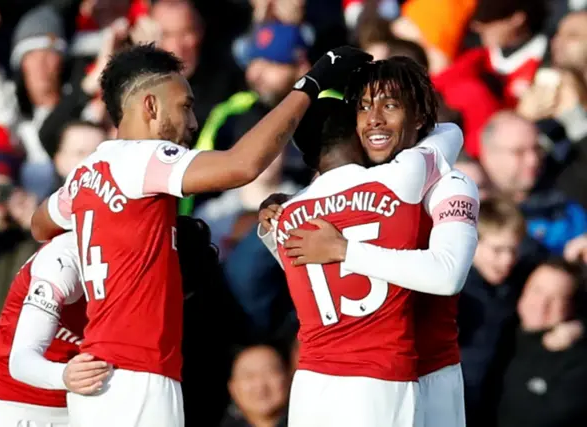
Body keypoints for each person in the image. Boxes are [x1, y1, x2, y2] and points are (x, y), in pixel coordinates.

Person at [29, 43, 372, 427]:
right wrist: (311, 84)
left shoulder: (85, 172)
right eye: (186, 106)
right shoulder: (143, 157)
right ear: (150, 107)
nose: (193, 123)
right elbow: (242, 165)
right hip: (139, 375)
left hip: (100, 379)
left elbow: (40, 224)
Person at [259, 58, 479, 427]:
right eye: (362, 108)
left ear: (421, 118)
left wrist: (343, 248)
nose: (374, 118)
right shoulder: (385, 185)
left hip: (432, 376)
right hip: (378, 381)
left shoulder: (451, 185)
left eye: (389, 106)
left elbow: (447, 273)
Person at [0, 232, 105, 427]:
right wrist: (63, 376)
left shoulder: (147, 258)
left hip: (82, 402)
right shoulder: (63, 258)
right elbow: (20, 361)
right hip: (12, 401)